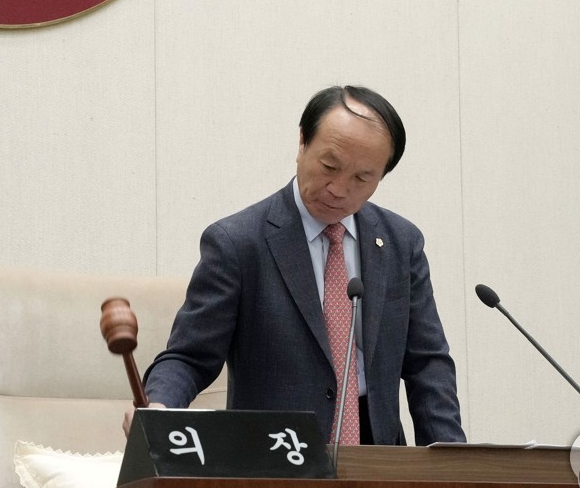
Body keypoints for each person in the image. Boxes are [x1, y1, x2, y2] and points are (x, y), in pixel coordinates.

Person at [127, 86, 465, 446]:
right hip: (274, 455)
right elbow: (189, 356)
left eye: (361, 178)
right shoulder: (239, 242)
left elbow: (428, 364)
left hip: (377, 454)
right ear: (302, 143)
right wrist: (160, 404)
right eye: (329, 166)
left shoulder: (401, 243)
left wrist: (452, 464)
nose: (338, 188)